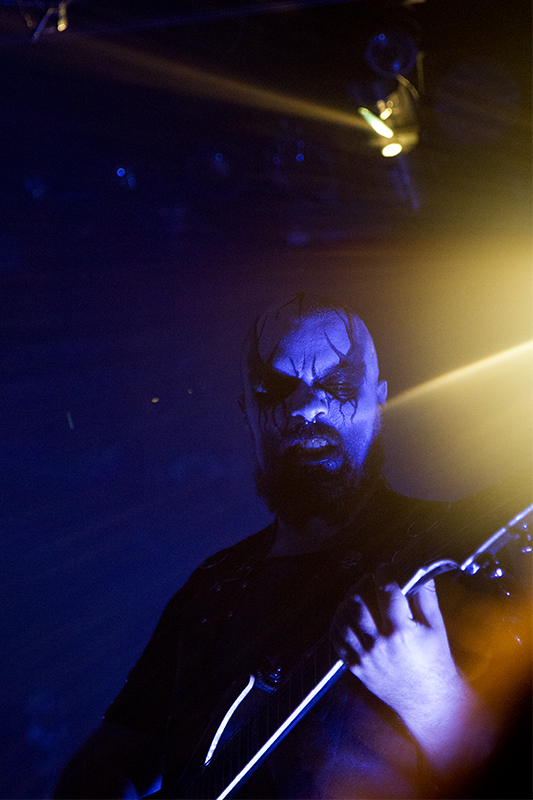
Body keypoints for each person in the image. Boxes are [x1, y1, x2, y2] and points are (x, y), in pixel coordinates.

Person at [54, 293, 531, 800]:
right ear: (247, 412)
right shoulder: (213, 587)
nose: (307, 407)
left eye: (338, 384)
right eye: (275, 389)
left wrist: (432, 697)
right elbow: (111, 761)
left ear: (380, 401)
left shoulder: (461, 550)